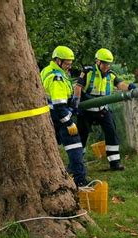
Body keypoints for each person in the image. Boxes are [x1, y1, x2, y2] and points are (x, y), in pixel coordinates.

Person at [75, 48, 137, 171]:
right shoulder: (87, 72)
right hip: (87, 110)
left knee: (112, 133)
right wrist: (76, 104)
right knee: (81, 136)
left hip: (102, 109)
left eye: (109, 64)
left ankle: (115, 163)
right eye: (104, 63)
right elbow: (78, 88)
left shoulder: (111, 74)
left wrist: (130, 87)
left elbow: (120, 84)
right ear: (98, 62)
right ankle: (78, 164)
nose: (107, 66)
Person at [40, 46, 88, 186]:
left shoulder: (47, 70)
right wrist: (69, 122)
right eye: (67, 63)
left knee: (50, 147)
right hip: (58, 116)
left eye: (70, 63)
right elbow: (60, 107)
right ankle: (80, 180)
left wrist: (73, 105)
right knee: (75, 146)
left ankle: (57, 175)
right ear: (57, 60)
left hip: (48, 116)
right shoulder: (57, 78)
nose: (69, 66)